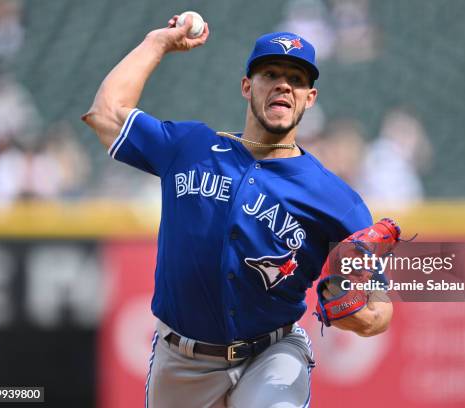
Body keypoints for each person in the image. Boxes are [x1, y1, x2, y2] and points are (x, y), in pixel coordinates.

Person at [82, 13, 392, 408]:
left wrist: (360, 317)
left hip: (272, 355)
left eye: (297, 79)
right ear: (247, 86)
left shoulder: (335, 200)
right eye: (271, 74)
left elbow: (380, 307)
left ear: (309, 98)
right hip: (180, 361)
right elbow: (106, 113)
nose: (283, 84)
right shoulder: (190, 148)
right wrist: (156, 43)